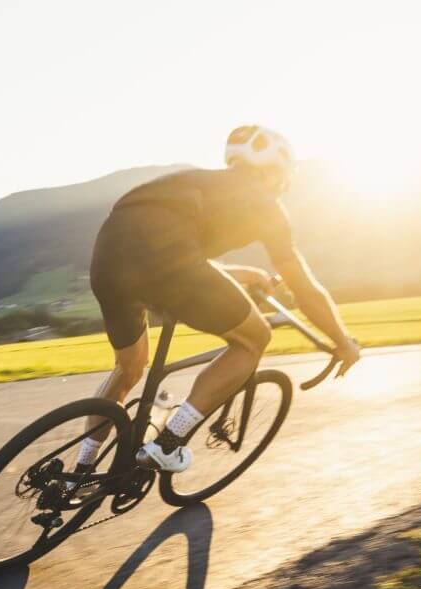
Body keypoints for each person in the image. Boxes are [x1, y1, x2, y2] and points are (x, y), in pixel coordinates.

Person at [80, 125, 361, 475]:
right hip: (167, 260)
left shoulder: (195, 181)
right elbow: (303, 288)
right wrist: (341, 340)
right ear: (276, 170)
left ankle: (80, 471)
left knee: (128, 368)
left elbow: (165, 244)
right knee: (254, 339)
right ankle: (168, 443)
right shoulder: (266, 204)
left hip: (109, 254)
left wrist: (245, 274)